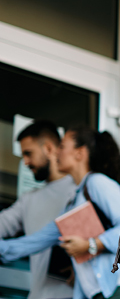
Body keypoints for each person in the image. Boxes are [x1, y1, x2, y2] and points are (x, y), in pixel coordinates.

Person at [0, 126, 120, 299]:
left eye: (62, 147)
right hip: (98, 294)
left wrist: (90, 245)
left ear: (80, 153)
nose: (56, 153)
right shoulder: (73, 202)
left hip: (119, 289)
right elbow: (34, 242)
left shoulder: (97, 183)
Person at [0, 121, 76, 299]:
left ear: (49, 148)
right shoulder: (28, 199)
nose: (25, 162)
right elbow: (4, 223)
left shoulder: (79, 191)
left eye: (28, 153)